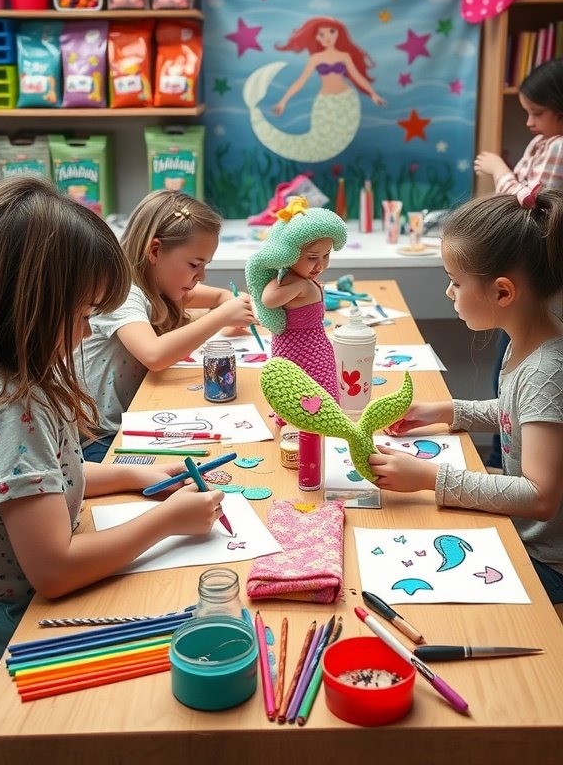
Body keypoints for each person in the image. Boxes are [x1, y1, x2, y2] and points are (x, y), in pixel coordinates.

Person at [0, 177, 226, 681]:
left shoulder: (32, 380)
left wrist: (136, 476)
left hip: (37, 603)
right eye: (79, 314)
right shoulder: (13, 408)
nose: (83, 331)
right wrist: (168, 521)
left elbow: (49, 479)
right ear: (27, 307)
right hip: (15, 631)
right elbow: (55, 571)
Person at [369, 186, 563, 607]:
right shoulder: (528, 341)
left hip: (548, 563)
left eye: (455, 282)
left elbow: (541, 496)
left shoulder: (547, 368)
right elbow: (519, 413)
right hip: (523, 533)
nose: (448, 292)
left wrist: (430, 478)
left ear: (503, 292)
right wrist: (448, 410)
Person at [78, 189, 257, 461]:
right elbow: (155, 355)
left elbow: (220, 297)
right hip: (98, 440)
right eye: (195, 264)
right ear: (155, 250)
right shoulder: (121, 292)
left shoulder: (156, 286)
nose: (201, 275)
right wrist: (221, 316)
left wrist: (228, 302)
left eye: (205, 265)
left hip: (131, 423)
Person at [474, 57, 563, 467]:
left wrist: (498, 170)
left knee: (520, 369)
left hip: (533, 267)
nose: (528, 122)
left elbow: (528, 199)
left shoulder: (559, 146)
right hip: (525, 270)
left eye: (537, 113)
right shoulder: (545, 142)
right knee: (508, 376)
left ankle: (501, 460)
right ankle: (502, 460)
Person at [244, 196, 347, 412]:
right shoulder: (294, 282)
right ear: (290, 254)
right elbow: (267, 300)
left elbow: (270, 298)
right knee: (302, 394)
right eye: (312, 257)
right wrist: (290, 280)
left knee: (314, 393)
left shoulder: (302, 282)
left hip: (312, 348)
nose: (320, 264)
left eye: (326, 255)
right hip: (298, 349)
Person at [243, 16, 385, 162]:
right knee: (319, 140)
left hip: (346, 99)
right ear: (316, 37)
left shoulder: (344, 56)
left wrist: (373, 94)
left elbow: (357, 76)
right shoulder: (316, 58)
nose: (327, 37)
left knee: (341, 137)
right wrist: (283, 101)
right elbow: (301, 81)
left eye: (331, 31)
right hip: (325, 101)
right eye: (321, 34)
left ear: (338, 34)